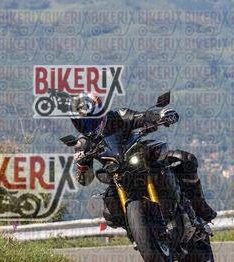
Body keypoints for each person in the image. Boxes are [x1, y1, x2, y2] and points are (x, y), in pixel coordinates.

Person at [69, 92, 217, 228]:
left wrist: (159, 117)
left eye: (90, 118)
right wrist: (82, 165)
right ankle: (135, 232)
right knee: (110, 212)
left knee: (186, 159)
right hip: (116, 174)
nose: (88, 125)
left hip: (138, 155)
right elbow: (85, 180)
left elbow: (141, 117)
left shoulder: (119, 116)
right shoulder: (82, 144)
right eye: (82, 122)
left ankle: (200, 207)